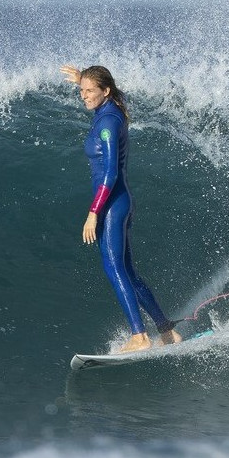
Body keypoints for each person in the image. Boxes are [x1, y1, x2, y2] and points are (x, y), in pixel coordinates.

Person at [60, 64, 182, 353]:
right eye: (81, 91)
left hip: (112, 204)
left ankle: (139, 337)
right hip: (118, 202)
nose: (83, 96)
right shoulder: (111, 109)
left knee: (114, 267)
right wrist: (82, 80)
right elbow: (107, 94)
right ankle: (167, 331)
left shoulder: (107, 124)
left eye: (89, 91)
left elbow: (111, 172)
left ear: (106, 91)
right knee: (127, 271)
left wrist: (93, 212)